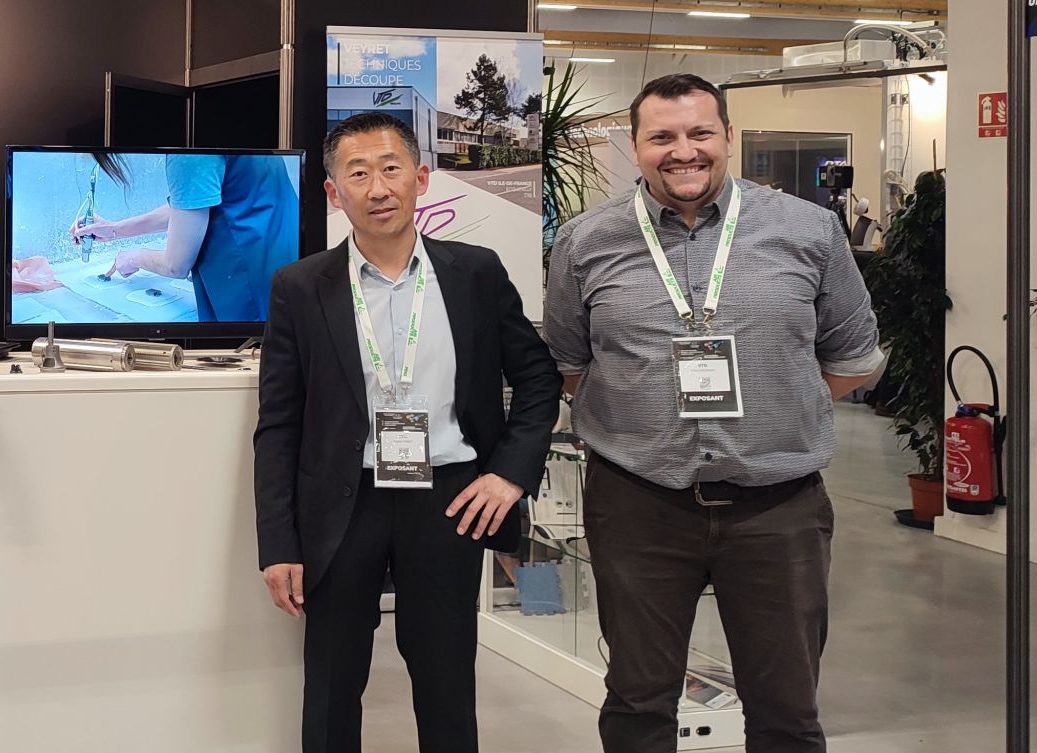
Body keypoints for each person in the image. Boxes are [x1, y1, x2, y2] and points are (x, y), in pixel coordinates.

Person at [542, 74, 882, 753]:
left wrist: (776, 408)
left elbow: (853, 359)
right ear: (635, 146)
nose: (683, 151)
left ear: (728, 136)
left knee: (787, 711)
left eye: (700, 132)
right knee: (637, 704)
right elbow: (571, 365)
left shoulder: (808, 231)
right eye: (661, 137)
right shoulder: (584, 242)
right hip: (638, 504)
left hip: (777, 507)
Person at [254, 111, 559, 753]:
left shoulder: (475, 272)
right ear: (333, 191)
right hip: (342, 504)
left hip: (449, 498)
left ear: (420, 178)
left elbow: (538, 378)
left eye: (391, 169)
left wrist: (509, 475)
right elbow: (278, 424)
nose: (378, 188)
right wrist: (278, 543)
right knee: (331, 686)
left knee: (447, 684)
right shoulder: (299, 288)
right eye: (358, 173)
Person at [71, 151, 298, 322]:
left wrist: (133, 257)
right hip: (285, 267)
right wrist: (115, 229)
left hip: (249, 290)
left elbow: (175, 265)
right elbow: (192, 205)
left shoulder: (189, 155)